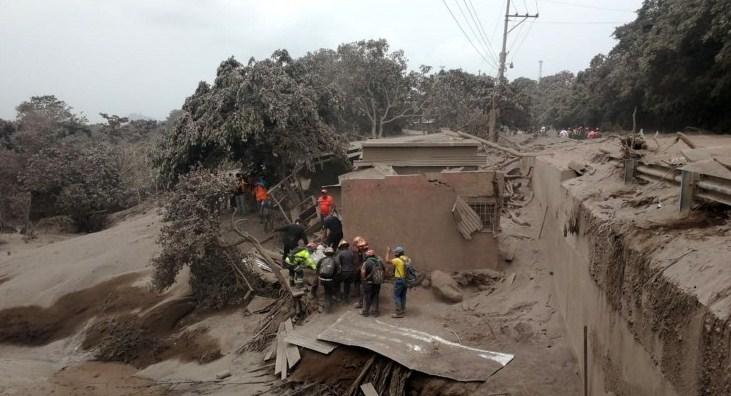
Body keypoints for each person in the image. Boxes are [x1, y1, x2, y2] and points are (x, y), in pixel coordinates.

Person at [385, 246, 410, 318]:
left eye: (395, 252)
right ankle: (402, 310)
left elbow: (387, 261)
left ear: (397, 253)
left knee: (397, 296)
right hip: (406, 280)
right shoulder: (407, 259)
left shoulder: (397, 260)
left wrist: (387, 252)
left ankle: (399, 313)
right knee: (403, 295)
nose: (394, 253)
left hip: (399, 279)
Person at [360, 249, 384, 317]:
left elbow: (363, 273)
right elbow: (384, 271)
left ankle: (365, 311)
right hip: (377, 282)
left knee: (367, 296)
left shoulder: (366, 263)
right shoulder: (379, 262)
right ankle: (375, 312)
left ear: (367, 256)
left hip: (369, 283)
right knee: (375, 296)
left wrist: (364, 280)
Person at [316, 247, 340, 313]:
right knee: (329, 292)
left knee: (324, 292)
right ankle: (329, 307)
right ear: (332, 253)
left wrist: (319, 275)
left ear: (325, 253)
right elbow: (338, 271)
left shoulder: (321, 260)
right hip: (330, 280)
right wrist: (334, 277)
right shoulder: (335, 260)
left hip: (322, 279)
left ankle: (323, 306)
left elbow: (317, 268)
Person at [336, 240, 356, 304]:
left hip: (344, 272)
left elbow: (337, 263)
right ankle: (346, 299)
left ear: (341, 246)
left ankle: (340, 297)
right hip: (351, 271)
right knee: (347, 285)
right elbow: (353, 262)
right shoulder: (351, 253)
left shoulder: (340, 253)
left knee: (337, 282)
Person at [352, 236, 368, 309]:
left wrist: (358, 269)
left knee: (363, 289)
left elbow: (362, 263)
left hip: (364, 273)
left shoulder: (364, 253)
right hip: (362, 273)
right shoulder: (360, 252)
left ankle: (362, 303)